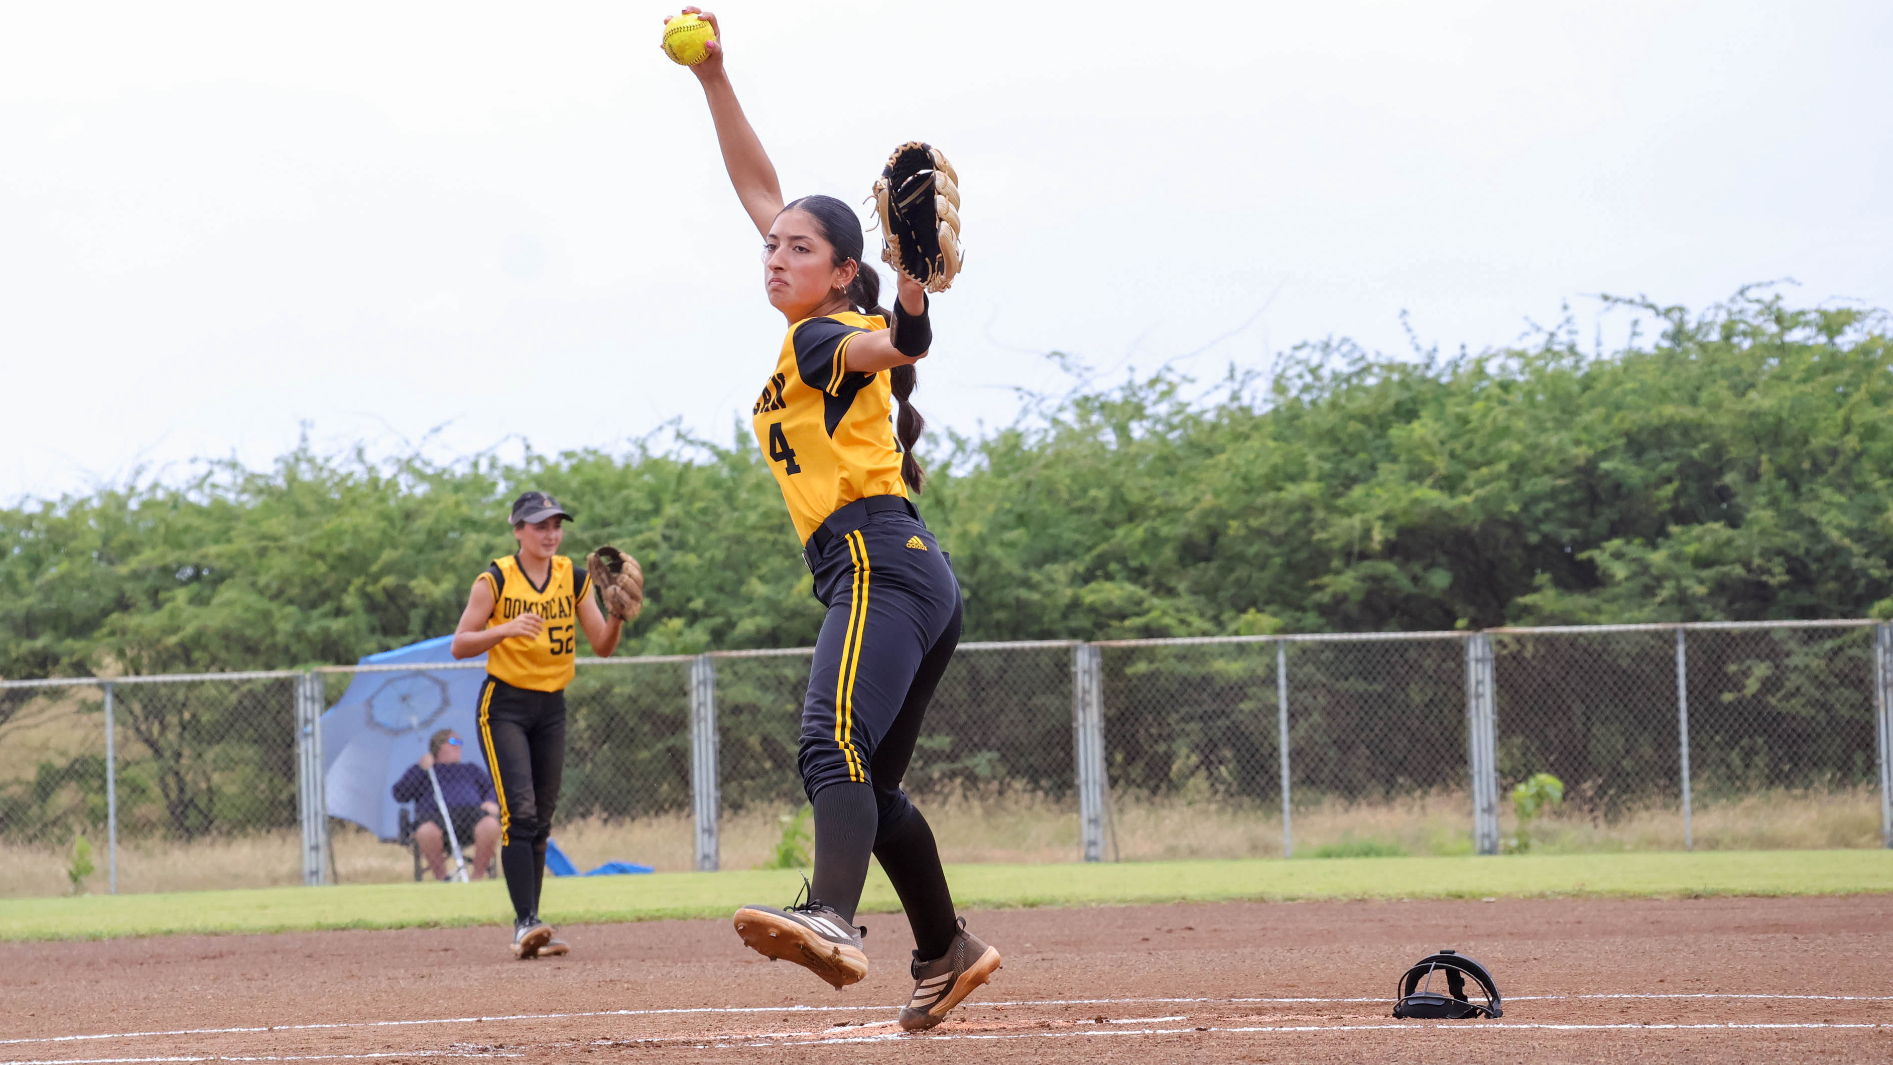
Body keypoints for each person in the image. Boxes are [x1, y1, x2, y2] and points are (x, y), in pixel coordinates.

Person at [673, 8, 1001, 1032]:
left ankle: (832, 916)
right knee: (872, 788)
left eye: (797, 247)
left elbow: (895, 351)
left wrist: (910, 304)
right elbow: (756, 186)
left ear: (840, 271)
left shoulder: (829, 335)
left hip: (877, 562)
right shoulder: (810, 322)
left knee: (829, 747)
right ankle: (948, 949)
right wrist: (715, 80)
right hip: (901, 568)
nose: (774, 253)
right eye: (771, 246)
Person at [451, 490, 623, 959]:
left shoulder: (574, 578)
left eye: (556, 525)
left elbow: (602, 645)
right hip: (503, 705)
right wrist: (503, 629)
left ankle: (533, 925)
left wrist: (619, 614)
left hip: (552, 707)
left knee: (541, 819)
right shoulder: (496, 579)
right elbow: (461, 644)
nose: (550, 534)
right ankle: (524, 922)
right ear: (517, 530)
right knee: (519, 814)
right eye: (539, 525)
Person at [391, 729, 500, 882]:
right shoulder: (424, 770)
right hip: (434, 817)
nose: (459, 746)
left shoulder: (470, 769)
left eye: (460, 742)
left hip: (471, 816)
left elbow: (492, 788)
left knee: (490, 825)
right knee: (425, 831)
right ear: (438, 746)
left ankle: (477, 878)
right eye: (454, 742)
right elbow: (400, 794)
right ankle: (443, 879)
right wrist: (420, 769)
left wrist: (491, 801)